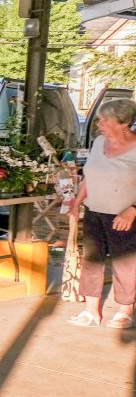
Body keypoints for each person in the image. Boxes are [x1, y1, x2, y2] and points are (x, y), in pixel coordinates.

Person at [67, 98, 136, 329]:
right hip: (94, 211)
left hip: (124, 216)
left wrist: (132, 210)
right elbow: (90, 175)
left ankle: (125, 310)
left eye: (105, 120)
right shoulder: (98, 143)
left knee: (125, 264)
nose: (99, 124)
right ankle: (90, 310)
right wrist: (77, 202)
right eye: (99, 120)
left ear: (123, 123)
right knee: (92, 261)